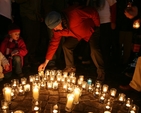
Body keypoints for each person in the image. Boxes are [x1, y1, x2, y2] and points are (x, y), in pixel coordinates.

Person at [38, 6, 105, 81]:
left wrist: (97, 25)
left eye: (55, 27)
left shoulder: (74, 13)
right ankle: (70, 67)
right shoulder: (57, 31)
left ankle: (101, 72)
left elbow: (93, 12)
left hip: (91, 30)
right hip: (76, 35)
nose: (54, 29)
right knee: (66, 46)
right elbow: (53, 44)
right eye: (53, 28)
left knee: (94, 49)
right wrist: (45, 63)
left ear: (60, 21)